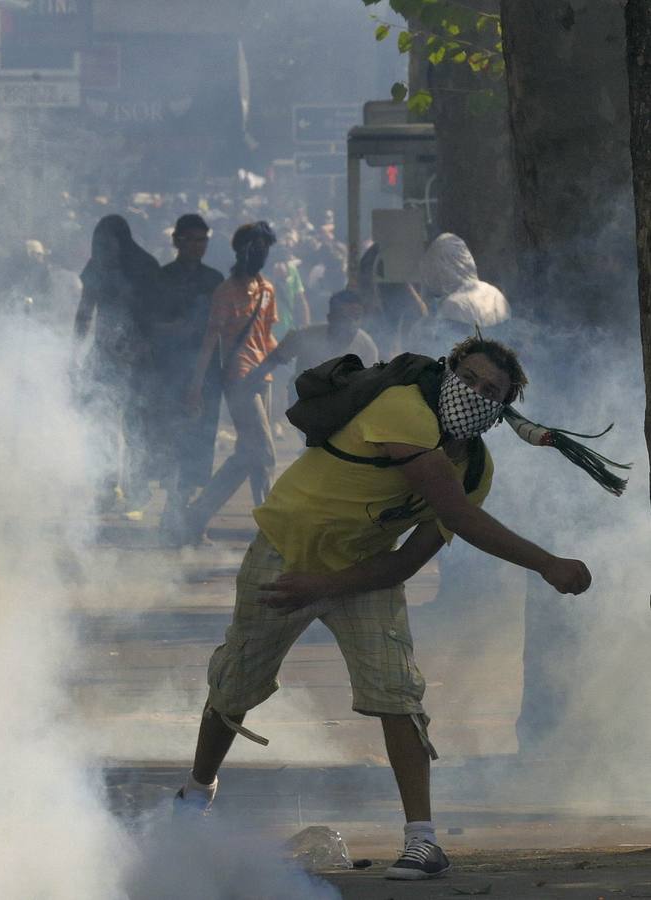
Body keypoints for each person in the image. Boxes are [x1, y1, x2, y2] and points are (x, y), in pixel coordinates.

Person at [173, 336, 591, 881]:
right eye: (469, 380)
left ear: (501, 412)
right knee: (234, 684)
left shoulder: (474, 470)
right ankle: (196, 796)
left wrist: (326, 585)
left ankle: (423, 841)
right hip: (284, 553)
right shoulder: (401, 407)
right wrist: (546, 563)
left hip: (363, 571)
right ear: (448, 370)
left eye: (491, 392)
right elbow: (454, 515)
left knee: (397, 694)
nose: (475, 395)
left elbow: (406, 563)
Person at [178, 221, 280, 542]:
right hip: (238, 379)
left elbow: (266, 336)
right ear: (241, 251)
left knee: (249, 454)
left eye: (265, 247)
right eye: (255, 246)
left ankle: (197, 514)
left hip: (264, 377)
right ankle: (271, 527)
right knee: (264, 451)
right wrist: (195, 387)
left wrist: (290, 354)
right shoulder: (225, 292)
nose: (260, 252)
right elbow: (211, 340)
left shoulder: (267, 290)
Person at [73, 214, 162, 515]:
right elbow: (85, 312)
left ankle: (138, 487)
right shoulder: (96, 267)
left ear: (121, 242)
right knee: (103, 423)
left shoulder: (145, 267)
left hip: (139, 359)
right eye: (98, 245)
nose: (103, 250)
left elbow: (157, 314)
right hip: (104, 356)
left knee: (135, 426)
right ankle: (107, 487)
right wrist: (75, 351)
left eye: (107, 244)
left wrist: (146, 345)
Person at [146, 214, 226, 538]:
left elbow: (219, 328)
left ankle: (184, 512)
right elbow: (148, 323)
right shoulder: (162, 278)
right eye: (191, 240)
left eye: (203, 240)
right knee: (173, 440)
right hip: (169, 371)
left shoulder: (214, 279)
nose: (198, 246)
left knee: (199, 442)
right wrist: (176, 329)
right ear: (176, 241)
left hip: (206, 374)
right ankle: (174, 510)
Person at [245, 289, 379, 383]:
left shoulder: (366, 346)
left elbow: (369, 384)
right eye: (343, 317)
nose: (350, 323)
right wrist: (253, 379)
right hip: (306, 403)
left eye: (356, 316)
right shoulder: (306, 336)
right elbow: (276, 358)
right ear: (330, 318)